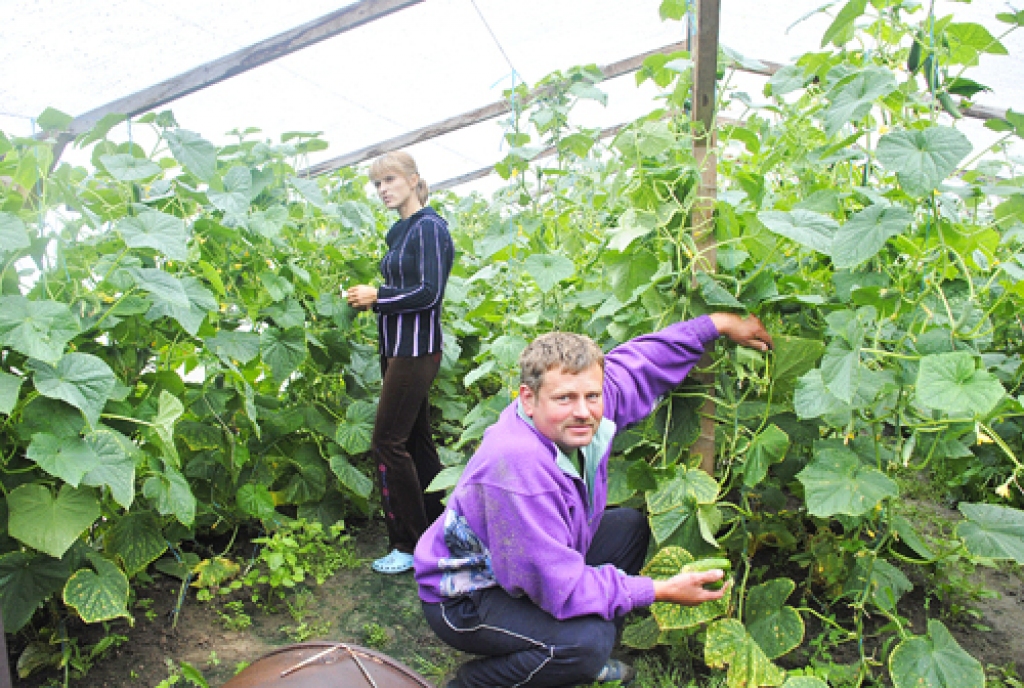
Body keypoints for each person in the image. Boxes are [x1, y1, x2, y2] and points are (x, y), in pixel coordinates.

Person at [414, 312, 773, 687]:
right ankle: (481, 681)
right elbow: (558, 586)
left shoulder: (574, 414)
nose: (583, 411)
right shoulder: (519, 467)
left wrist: (716, 324)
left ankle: (570, 652)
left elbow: (640, 365)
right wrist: (659, 590)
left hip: (521, 561)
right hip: (466, 597)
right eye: (565, 398)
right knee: (588, 643)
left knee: (629, 529)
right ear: (528, 398)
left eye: (592, 395)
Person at [346, 151, 455, 575]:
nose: (383, 189)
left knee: (387, 443)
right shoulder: (402, 231)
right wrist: (375, 299)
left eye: (390, 179)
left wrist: (378, 296)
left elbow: (429, 293)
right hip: (398, 349)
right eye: (377, 184)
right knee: (415, 443)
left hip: (415, 350)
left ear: (413, 180)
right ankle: (439, 529)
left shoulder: (429, 228)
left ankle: (409, 545)